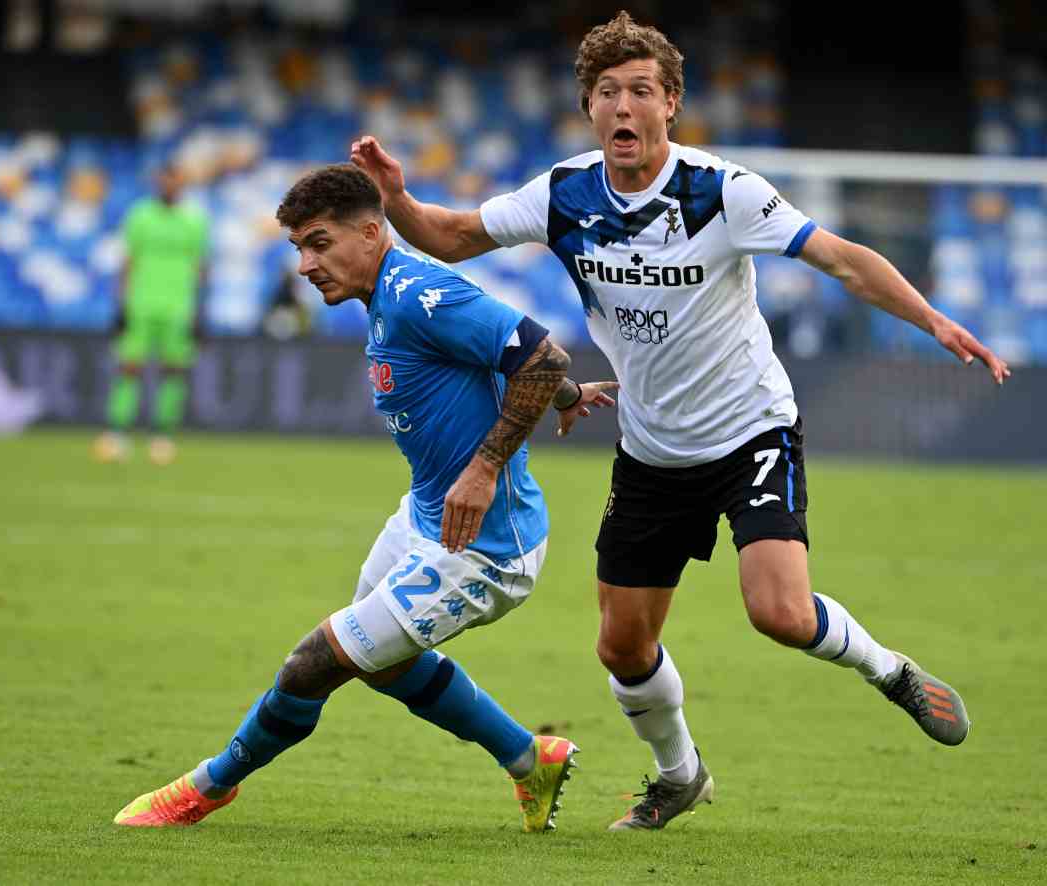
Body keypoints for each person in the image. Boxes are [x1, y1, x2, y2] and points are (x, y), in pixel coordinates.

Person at [350, 9, 1011, 832]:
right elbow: (449, 238)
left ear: (671, 104)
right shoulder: (564, 194)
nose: (623, 107)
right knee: (621, 647)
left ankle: (890, 671)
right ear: (589, 109)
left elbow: (842, 258)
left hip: (750, 431)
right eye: (606, 93)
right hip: (653, 450)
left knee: (779, 612)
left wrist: (934, 320)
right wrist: (399, 197)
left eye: (641, 91)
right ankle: (680, 775)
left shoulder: (722, 192)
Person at [114, 164, 613, 831]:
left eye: (318, 243)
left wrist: (487, 464)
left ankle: (204, 789)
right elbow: (520, 356)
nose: (304, 264)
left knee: (313, 663)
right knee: (381, 661)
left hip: (484, 548)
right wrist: (569, 397)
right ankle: (530, 759)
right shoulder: (387, 297)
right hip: (426, 516)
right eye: (297, 248)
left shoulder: (416, 294)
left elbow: (543, 356)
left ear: (372, 232)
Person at [94, 163, 210, 465]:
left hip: (179, 307)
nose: (170, 186)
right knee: (129, 367)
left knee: (173, 371)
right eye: (166, 180)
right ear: (159, 182)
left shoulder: (194, 220)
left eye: (175, 181)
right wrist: (121, 303)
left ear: (182, 184)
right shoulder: (140, 215)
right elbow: (128, 261)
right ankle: (116, 433)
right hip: (141, 303)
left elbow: (200, 269)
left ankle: (162, 435)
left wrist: (199, 309)